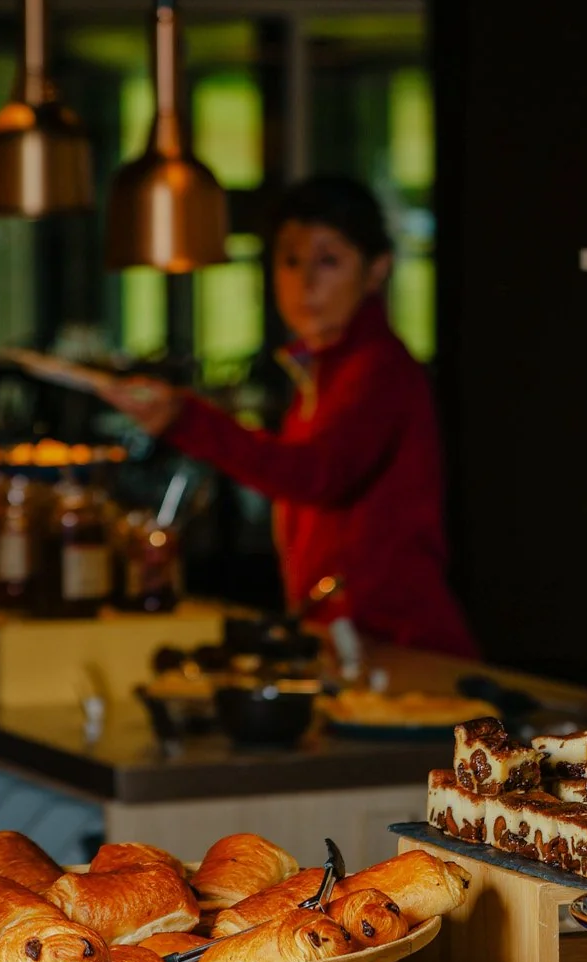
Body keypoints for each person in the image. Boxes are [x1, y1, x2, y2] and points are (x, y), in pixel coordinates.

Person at [101, 174, 476, 658]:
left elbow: (318, 474)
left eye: (329, 261)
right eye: (290, 260)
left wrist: (188, 420)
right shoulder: (318, 373)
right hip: (349, 639)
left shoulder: (379, 368)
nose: (305, 283)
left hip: (401, 642)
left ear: (377, 270)